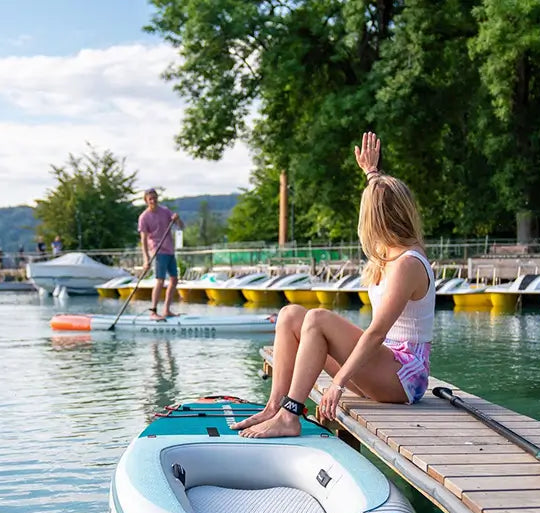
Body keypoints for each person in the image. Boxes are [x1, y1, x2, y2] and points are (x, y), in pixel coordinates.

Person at [231, 131, 435, 439]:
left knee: (317, 319)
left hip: (406, 379)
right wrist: (371, 173)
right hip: (383, 367)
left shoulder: (408, 263)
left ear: (373, 218)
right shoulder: (389, 255)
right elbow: (382, 195)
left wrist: (337, 384)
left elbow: (377, 332)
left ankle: (290, 415)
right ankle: (274, 406)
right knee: (290, 315)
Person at [137, 188, 184, 320]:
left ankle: (167, 310)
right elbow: (144, 240)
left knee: (174, 280)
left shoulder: (165, 211)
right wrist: (146, 259)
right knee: (160, 280)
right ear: (146, 201)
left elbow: (181, 227)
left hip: (169, 250)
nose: (153, 201)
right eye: (150, 199)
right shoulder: (144, 217)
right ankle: (153, 312)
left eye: (155, 198)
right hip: (157, 252)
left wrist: (177, 219)